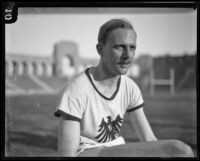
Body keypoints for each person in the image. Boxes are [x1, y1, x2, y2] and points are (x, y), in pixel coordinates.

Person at [54, 18, 194, 157]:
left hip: (114, 148)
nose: (127, 55)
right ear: (100, 50)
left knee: (181, 151)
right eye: (119, 47)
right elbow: (67, 154)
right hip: (86, 152)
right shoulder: (76, 88)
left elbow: (149, 140)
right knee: (176, 150)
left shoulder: (129, 87)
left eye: (132, 47)